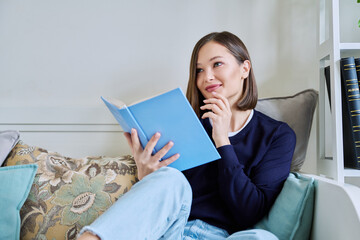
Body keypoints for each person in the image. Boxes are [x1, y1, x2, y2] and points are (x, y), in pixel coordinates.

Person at [77, 31, 296, 240]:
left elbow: (249, 212)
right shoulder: (186, 125)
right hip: (171, 229)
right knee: (172, 179)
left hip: (225, 235)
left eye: (217, 64)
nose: (207, 77)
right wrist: (147, 176)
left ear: (244, 68)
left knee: (263, 237)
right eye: (199, 70)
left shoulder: (277, 135)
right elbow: (164, 197)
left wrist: (222, 141)